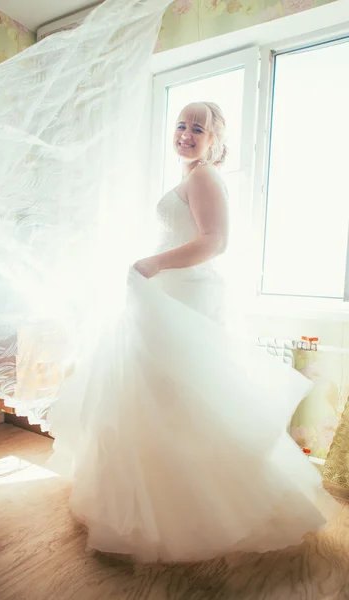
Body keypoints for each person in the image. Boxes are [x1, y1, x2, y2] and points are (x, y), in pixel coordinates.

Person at [48, 101, 337, 564]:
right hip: (166, 294)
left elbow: (215, 241)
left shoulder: (203, 177)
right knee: (157, 400)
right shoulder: (188, 178)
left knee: (182, 400)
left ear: (213, 139)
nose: (185, 133)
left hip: (182, 296)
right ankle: (152, 499)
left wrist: (155, 261)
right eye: (180, 125)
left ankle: (195, 508)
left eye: (196, 127)